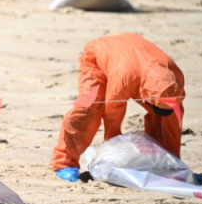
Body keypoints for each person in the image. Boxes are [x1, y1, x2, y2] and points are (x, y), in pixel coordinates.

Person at [51, 33, 185, 182]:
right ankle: (63, 163)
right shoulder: (126, 78)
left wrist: (174, 163)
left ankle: (165, 165)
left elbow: (173, 119)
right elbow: (112, 111)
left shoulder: (175, 74)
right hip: (98, 57)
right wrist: (113, 151)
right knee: (88, 108)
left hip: (133, 57)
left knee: (165, 117)